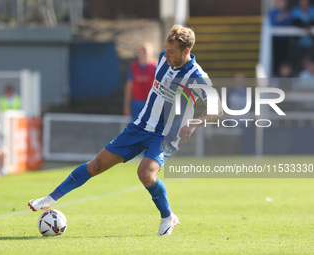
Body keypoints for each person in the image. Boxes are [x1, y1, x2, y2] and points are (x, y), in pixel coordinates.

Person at [28, 24, 223, 236]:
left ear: (187, 52)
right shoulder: (162, 59)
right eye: (165, 49)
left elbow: (217, 109)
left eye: (171, 51)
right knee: (96, 166)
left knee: (145, 173)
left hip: (164, 135)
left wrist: (194, 123)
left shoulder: (197, 76)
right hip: (139, 127)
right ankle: (49, 198)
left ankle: (167, 217)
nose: (166, 55)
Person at [123, 43, 157, 120]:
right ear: (139, 53)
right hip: (136, 103)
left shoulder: (156, 66)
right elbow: (129, 87)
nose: (145, 53)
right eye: (143, 51)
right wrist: (126, 106)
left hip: (150, 103)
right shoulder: (133, 67)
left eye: (147, 51)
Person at [269, 0, 292, 74]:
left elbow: (289, 25)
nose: (284, 3)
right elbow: (273, 25)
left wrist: (285, 18)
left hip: (285, 41)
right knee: (277, 59)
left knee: (285, 59)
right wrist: (281, 18)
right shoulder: (273, 12)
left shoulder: (287, 12)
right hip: (276, 41)